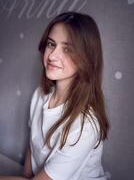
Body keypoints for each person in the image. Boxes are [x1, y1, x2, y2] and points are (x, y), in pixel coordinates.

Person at [0, 11, 109, 180]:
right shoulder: (40, 95)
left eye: (67, 49)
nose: (52, 56)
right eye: (51, 44)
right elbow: (33, 145)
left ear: (86, 57)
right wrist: (26, 176)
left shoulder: (85, 125)